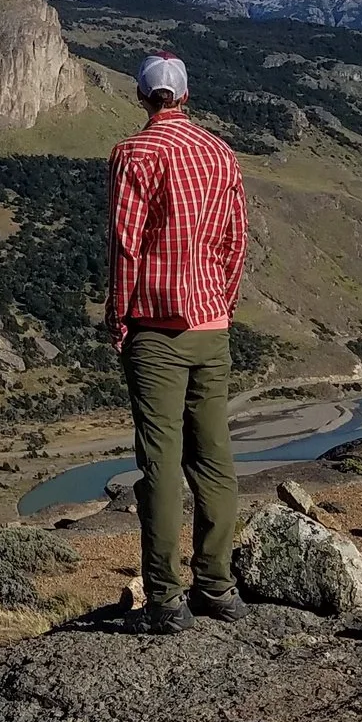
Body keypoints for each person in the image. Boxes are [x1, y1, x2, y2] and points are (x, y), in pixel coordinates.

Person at [107, 50, 248, 633]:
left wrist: (119, 319)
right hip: (211, 329)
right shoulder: (221, 153)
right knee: (214, 460)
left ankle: (165, 600)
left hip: (156, 331)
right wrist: (221, 306)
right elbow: (236, 242)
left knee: (160, 467)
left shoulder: (133, 153)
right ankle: (216, 586)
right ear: (185, 95)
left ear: (142, 96)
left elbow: (126, 245)